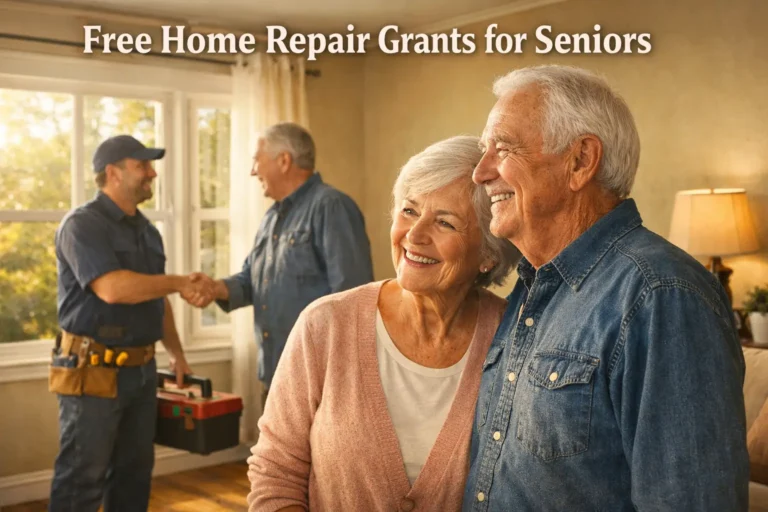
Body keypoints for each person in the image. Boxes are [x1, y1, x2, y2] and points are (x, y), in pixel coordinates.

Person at [463, 65, 749, 511]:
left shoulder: (661, 295)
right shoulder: (532, 288)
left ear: (580, 161)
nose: (481, 173)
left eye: (502, 148)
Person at [246, 135, 520, 511]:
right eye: (409, 211)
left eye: (444, 222)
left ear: (489, 254)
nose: (415, 235)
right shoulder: (324, 326)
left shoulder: (516, 337)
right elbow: (275, 473)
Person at [49, 135, 209, 512]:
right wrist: (181, 281)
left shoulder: (147, 232)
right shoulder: (81, 225)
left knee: (134, 476)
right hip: (92, 372)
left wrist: (177, 355)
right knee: (81, 480)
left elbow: (155, 297)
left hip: (141, 372)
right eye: (142, 166)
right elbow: (113, 289)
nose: (152, 173)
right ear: (113, 173)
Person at [192, 122, 374, 404]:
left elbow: (354, 299)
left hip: (321, 382)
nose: (253, 170)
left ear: (284, 161)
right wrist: (215, 288)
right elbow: (252, 282)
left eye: (256, 160)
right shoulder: (270, 218)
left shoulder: (331, 207)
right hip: (276, 376)